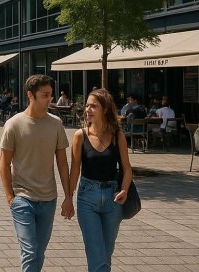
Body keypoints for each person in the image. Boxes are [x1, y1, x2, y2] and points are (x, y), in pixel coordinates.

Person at [0, 74, 73, 272]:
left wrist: (68, 196)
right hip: (22, 198)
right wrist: (10, 197)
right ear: (31, 95)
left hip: (48, 199)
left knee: (39, 252)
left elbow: (63, 164)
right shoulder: (14, 124)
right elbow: (4, 163)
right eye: (45, 95)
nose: (50, 99)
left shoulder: (56, 124)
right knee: (30, 251)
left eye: (51, 95)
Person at [69, 88, 132, 272]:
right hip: (87, 197)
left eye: (94, 106)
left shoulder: (117, 135)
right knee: (97, 256)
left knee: (106, 254)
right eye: (87, 105)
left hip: (113, 198)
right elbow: (75, 169)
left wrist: (125, 190)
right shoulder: (80, 135)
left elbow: (127, 169)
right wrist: (68, 197)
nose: (88, 109)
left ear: (104, 109)